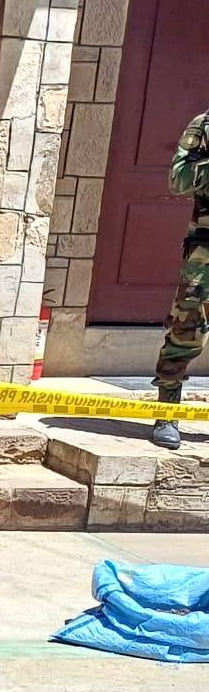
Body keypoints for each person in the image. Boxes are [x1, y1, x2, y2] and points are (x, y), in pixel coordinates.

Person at [150, 108, 209, 450]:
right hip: (205, 252)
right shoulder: (204, 125)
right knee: (187, 329)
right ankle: (167, 411)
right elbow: (178, 179)